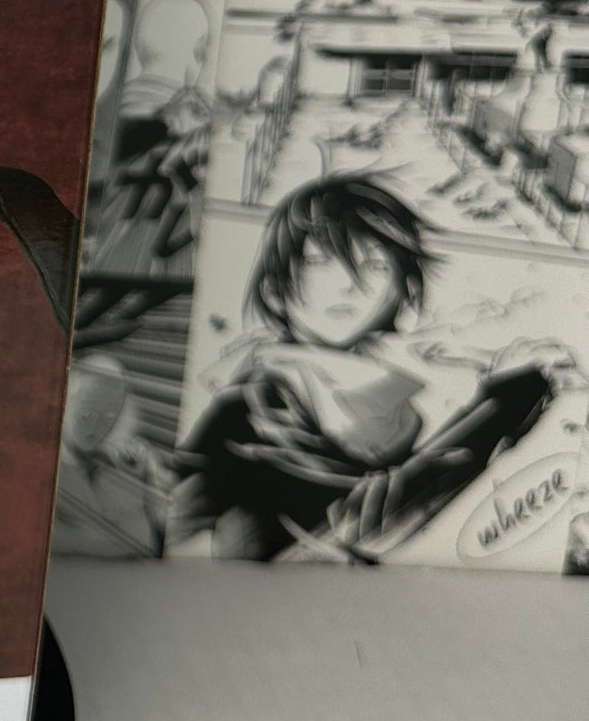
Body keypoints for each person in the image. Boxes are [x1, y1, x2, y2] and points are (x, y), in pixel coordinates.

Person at [169, 174, 557, 559]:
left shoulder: (397, 408)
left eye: (374, 265)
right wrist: (505, 405)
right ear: (275, 287)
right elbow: (368, 521)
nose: (348, 284)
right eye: (320, 262)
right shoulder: (247, 412)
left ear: (402, 291)